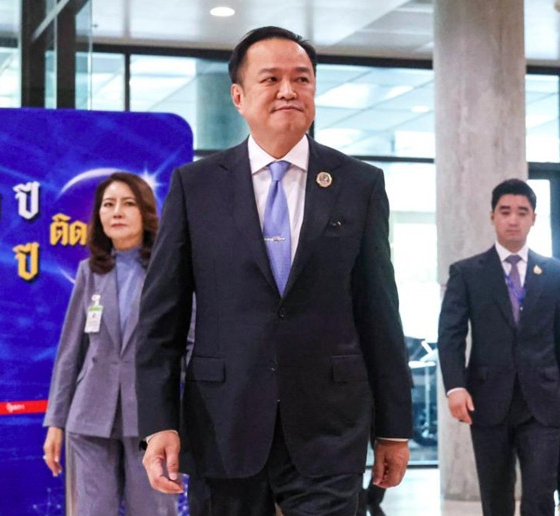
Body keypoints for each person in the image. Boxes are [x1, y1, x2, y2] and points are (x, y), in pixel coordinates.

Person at [135, 26, 413, 516]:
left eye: (302, 79)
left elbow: (379, 314)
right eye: (271, 79)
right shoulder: (196, 187)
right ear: (238, 97)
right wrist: (159, 422)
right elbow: (162, 319)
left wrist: (393, 428)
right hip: (224, 422)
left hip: (330, 426)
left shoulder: (358, 184)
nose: (289, 91)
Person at [438, 179, 560, 516]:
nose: (513, 219)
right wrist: (455, 387)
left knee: (540, 496)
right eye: (505, 212)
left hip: (543, 401)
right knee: (496, 496)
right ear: (492, 217)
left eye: (522, 212)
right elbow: (450, 335)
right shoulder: (467, 272)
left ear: (533, 218)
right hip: (487, 398)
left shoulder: (557, 274)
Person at [42, 173, 177, 516]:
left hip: (151, 419)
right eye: (108, 204)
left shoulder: (168, 271)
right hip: (88, 418)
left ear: (145, 213)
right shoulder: (90, 272)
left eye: (128, 203)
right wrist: (55, 422)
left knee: (154, 511)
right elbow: (70, 353)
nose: (117, 211)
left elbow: (187, 344)